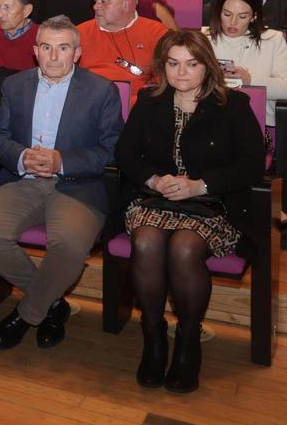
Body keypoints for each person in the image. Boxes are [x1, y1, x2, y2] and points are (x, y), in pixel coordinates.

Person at [115, 29, 265, 393]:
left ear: (207, 66)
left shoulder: (233, 105)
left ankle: (187, 340)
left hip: (213, 203)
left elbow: (252, 165)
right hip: (155, 199)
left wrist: (200, 185)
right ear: (162, 66)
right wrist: (154, 180)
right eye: (173, 63)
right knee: (146, 241)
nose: (181, 72)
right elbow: (125, 154)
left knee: (184, 248)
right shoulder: (149, 101)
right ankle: (153, 337)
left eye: (191, 64)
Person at [0, 15, 123, 350]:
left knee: (68, 244)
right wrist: (22, 156)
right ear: (35, 51)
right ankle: (52, 302)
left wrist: (61, 161)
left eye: (63, 48)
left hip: (77, 184)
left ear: (77, 53)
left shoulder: (101, 90)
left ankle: (28, 313)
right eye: (46, 47)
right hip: (21, 179)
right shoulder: (14, 85)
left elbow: (111, 149)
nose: (53, 56)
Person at [206, 0, 287, 126]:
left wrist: (250, 80)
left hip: (258, 122)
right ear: (218, 12)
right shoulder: (204, 40)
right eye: (227, 14)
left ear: (253, 16)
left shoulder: (272, 40)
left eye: (242, 16)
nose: (233, 22)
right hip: (213, 121)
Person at [77, 0, 170, 103]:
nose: (95, 7)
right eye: (96, 1)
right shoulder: (78, 33)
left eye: (103, 2)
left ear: (126, 5)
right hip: (89, 102)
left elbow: (167, 79)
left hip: (138, 105)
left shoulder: (157, 33)